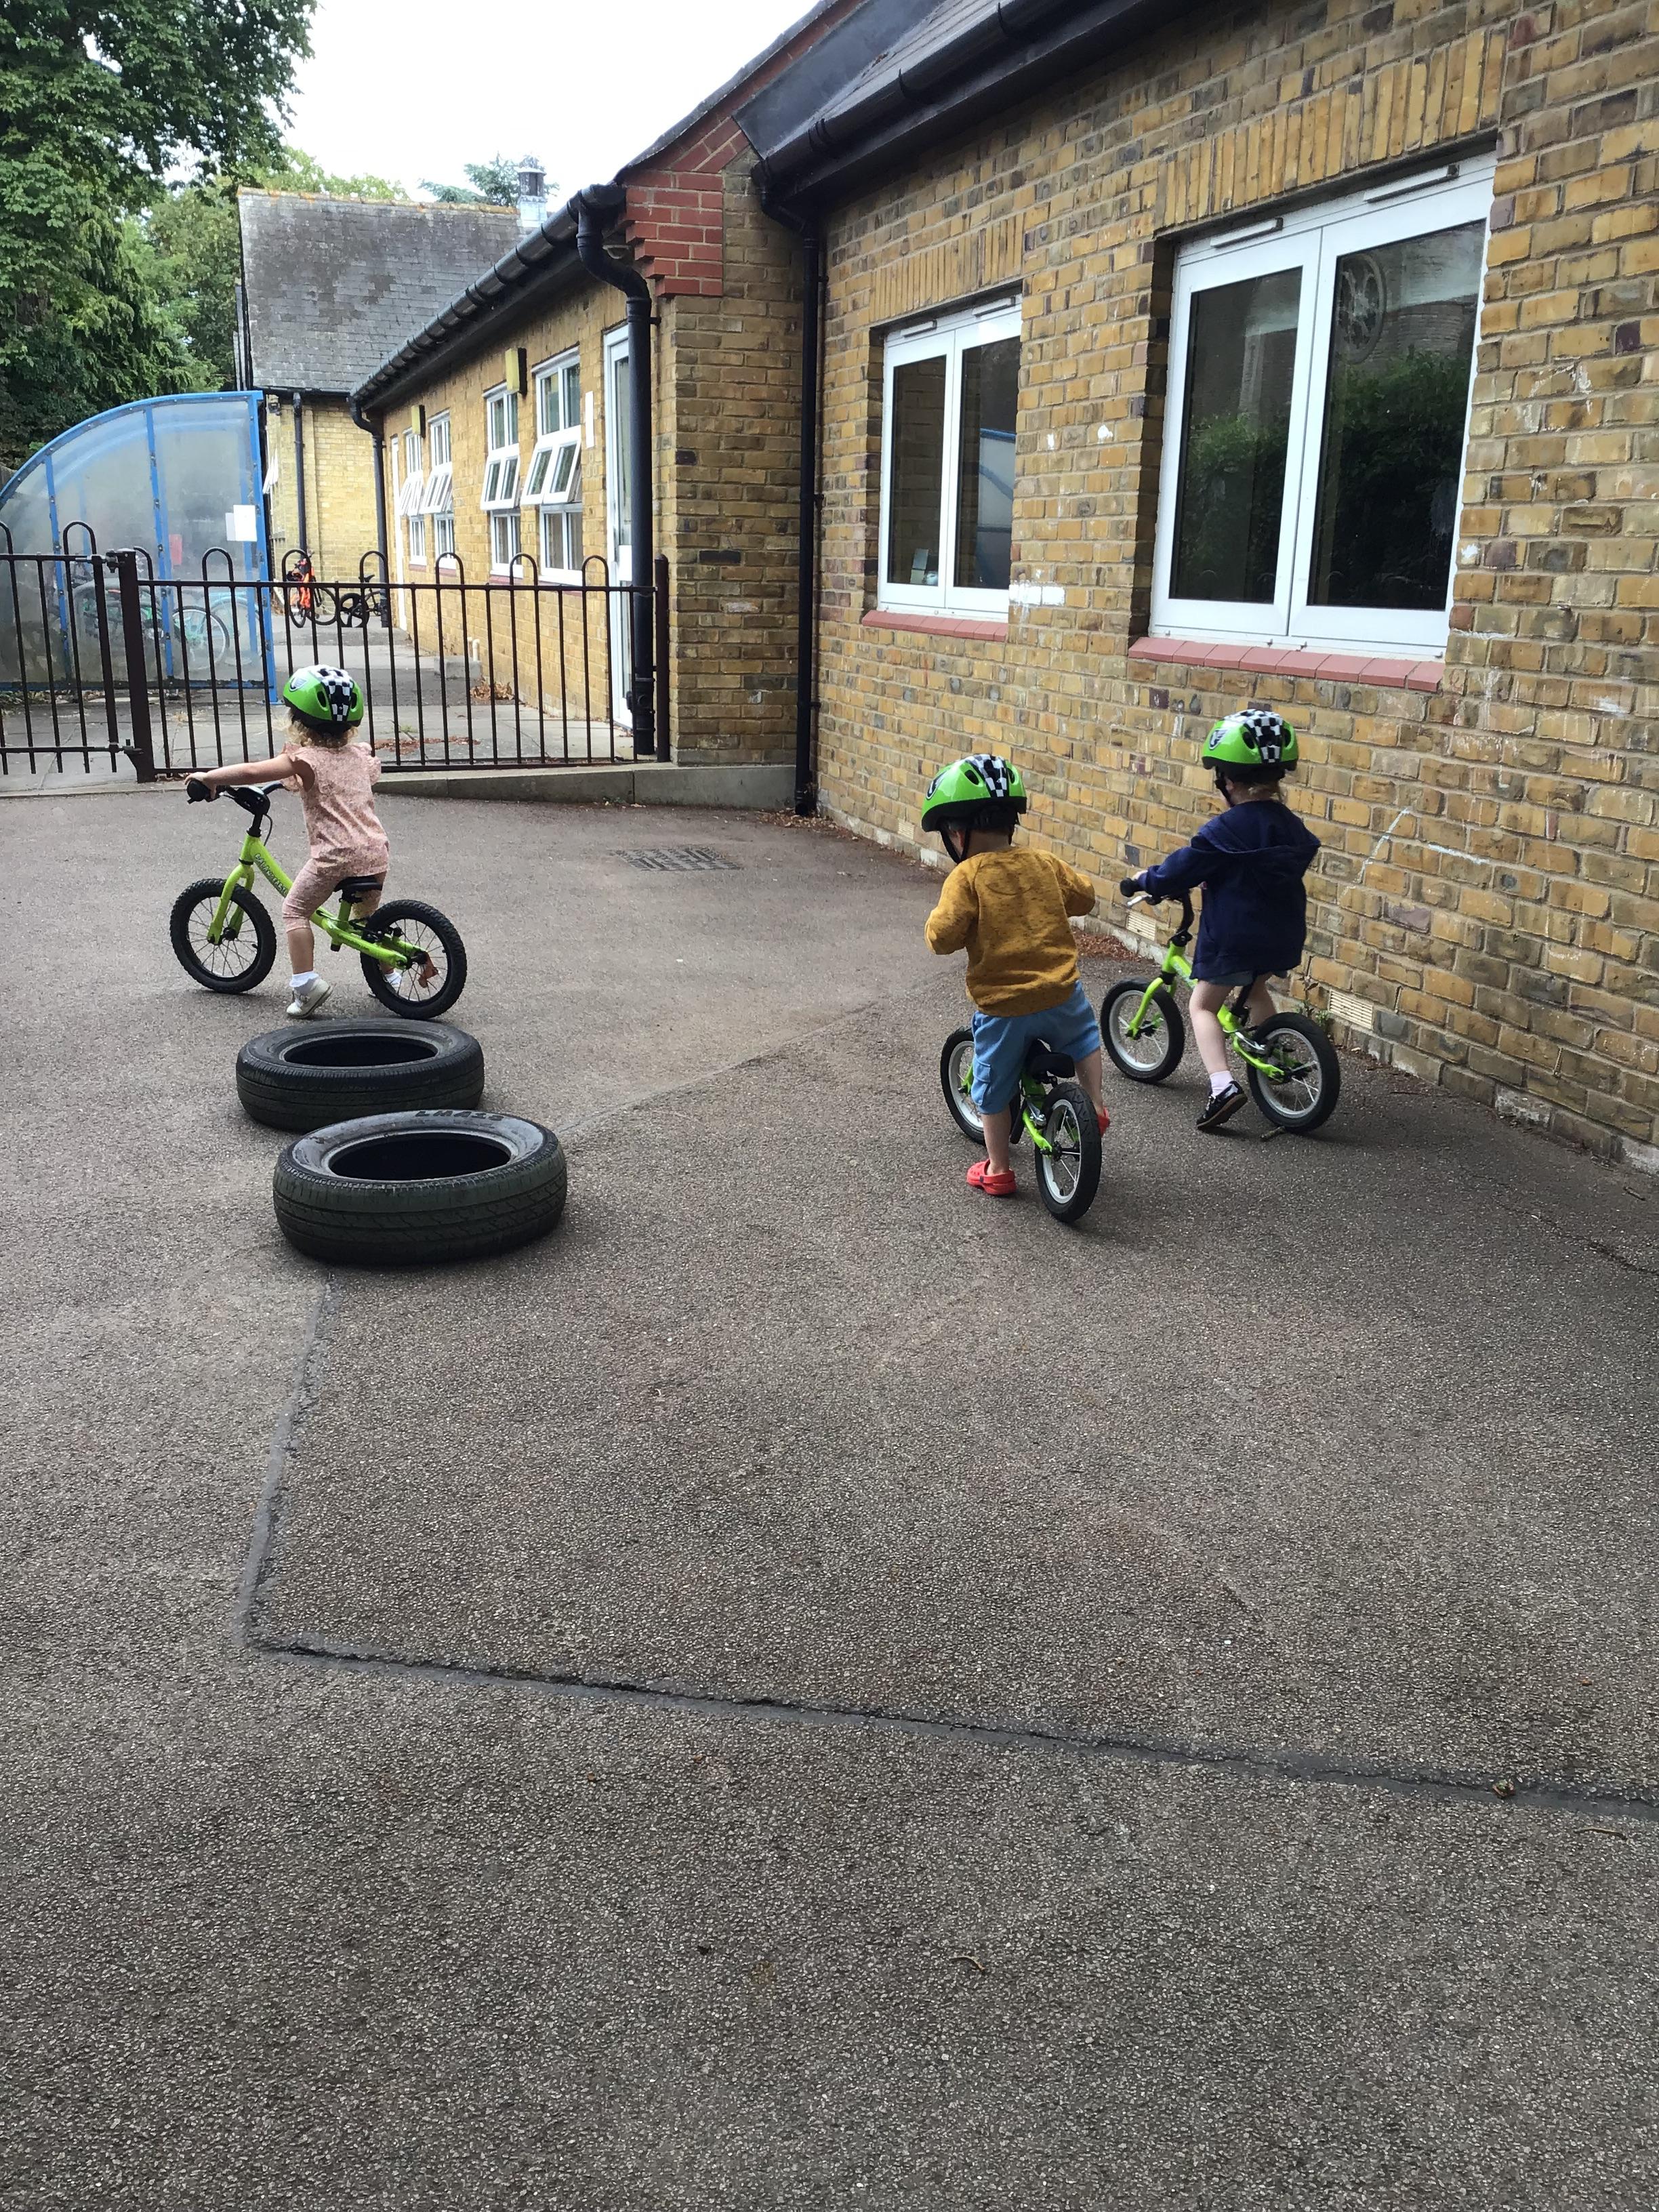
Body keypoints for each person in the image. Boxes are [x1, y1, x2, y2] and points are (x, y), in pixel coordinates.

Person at [922, 753, 1108, 1197]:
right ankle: (1097, 1106)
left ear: (957, 833)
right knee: (1086, 1038)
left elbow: (942, 937)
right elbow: (1084, 897)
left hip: (1004, 1007)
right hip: (1061, 994)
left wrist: (944, 929)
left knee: (990, 1088)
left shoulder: (967, 877)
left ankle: (999, 1169)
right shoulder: (1044, 863)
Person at [1126, 708, 1320, 1132]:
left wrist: (1146, 880)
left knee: (1202, 1005)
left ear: (1227, 780)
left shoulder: (1224, 832)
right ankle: (1276, 1054)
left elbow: (1181, 868)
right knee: (1255, 988)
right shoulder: (1290, 827)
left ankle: (1221, 1087)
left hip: (1234, 939)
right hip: (1282, 935)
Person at [184, 665, 389, 1017]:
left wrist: (210, 778)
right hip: (375, 851)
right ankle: (390, 977)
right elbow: (347, 780)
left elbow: (252, 772)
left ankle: (306, 987)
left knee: (295, 911)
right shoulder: (360, 755)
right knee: (366, 919)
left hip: (335, 855)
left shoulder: (305, 760)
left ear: (299, 723)